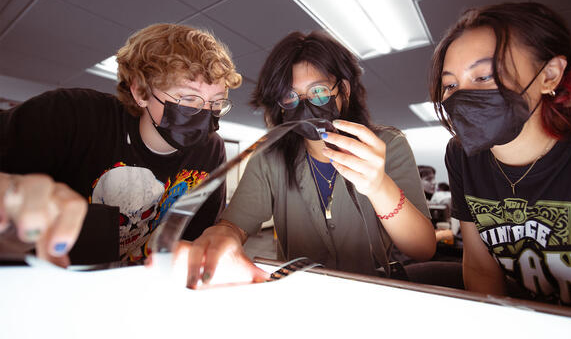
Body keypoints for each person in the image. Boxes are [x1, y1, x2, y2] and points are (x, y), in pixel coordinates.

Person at [429, 2, 571, 318]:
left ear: (549, 75)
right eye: (450, 85)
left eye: (483, 76)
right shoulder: (461, 155)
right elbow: (481, 268)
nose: (461, 96)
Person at [184, 31, 436, 288]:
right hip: (299, 291)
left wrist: (380, 186)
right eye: (291, 96)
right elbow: (234, 225)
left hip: (372, 290)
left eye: (318, 91)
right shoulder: (269, 158)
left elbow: (422, 248)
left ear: (344, 90)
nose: (305, 105)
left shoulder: (388, 146)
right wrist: (224, 236)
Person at [0, 23, 241, 265]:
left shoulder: (211, 151)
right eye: (189, 98)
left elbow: (194, 238)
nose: (206, 113)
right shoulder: (69, 115)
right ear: (140, 92)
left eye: (217, 102)